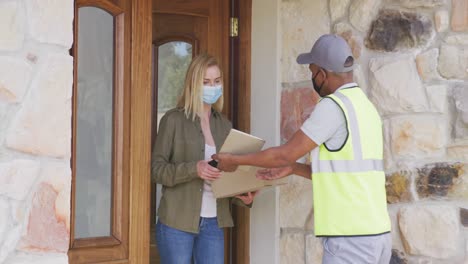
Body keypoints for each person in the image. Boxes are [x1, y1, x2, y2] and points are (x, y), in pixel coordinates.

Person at [213, 34, 392, 264]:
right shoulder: (366, 108)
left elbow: (284, 153)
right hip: (378, 236)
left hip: (351, 240)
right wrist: (293, 169)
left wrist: (235, 160)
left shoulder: (333, 107)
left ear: (322, 74)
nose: (312, 79)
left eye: (312, 72)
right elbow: (343, 173)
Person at [152, 53, 256, 264]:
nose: (213, 87)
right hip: (176, 223)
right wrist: (194, 169)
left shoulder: (224, 125)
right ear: (193, 84)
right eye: (206, 82)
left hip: (213, 223)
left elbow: (227, 175)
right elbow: (157, 169)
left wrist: (243, 196)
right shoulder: (173, 120)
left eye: (217, 81)